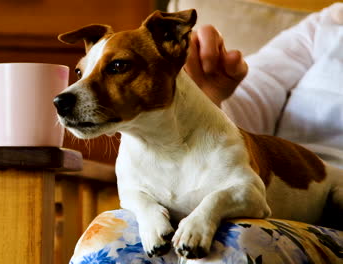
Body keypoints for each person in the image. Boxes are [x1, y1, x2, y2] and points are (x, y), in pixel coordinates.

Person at [70, 3, 343, 264]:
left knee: (222, 249)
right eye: (80, 72)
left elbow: (250, 192)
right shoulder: (324, 28)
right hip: (206, 146)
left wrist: (208, 212)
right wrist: (205, 92)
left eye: (117, 67)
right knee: (103, 246)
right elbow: (252, 93)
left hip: (327, 197)